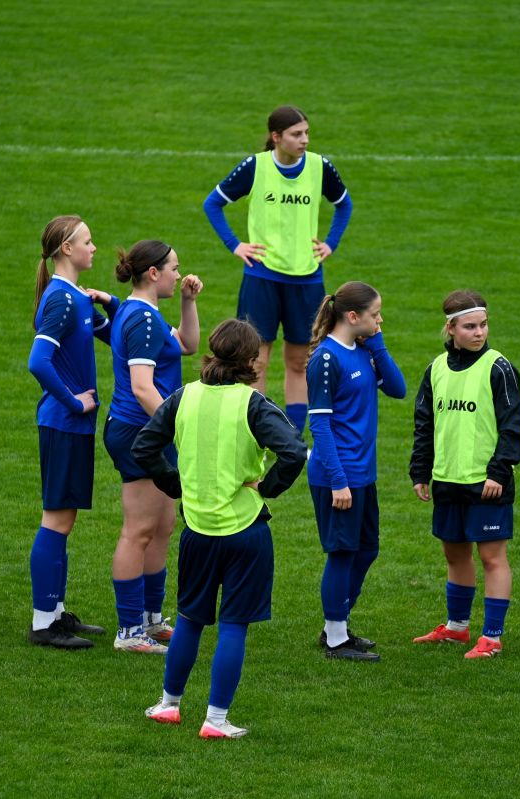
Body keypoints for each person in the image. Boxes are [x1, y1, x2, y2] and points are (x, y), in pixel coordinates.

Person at [135, 319, 306, 738]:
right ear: (252, 360)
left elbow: (144, 447)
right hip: (245, 531)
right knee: (233, 625)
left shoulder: (183, 397)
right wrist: (268, 487)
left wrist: (177, 485)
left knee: (189, 619)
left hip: (198, 530)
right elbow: (294, 450)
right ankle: (215, 720)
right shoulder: (253, 403)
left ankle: (168, 705)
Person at [202, 105, 353, 434]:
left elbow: (344, 204)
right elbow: (212, 203)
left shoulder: (320, 166)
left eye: (307, 133)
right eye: (296, 134)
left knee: (299, 362)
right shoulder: (255, 167)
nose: (305, 140)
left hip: (307, 280)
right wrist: (235, 245)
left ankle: (293, 438)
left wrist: (330, 243)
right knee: (256, 361)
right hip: (262, 277)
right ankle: (261, 434)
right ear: (276, 137)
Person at [89, 240, 202, 654]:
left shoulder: (141, 312)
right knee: (138, 530)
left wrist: (188, 302)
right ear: (153, 273)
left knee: (162, 526)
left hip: (151, 431)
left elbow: (187, 345)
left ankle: (151, 620)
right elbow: (141, 388)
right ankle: (129, 631)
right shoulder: (142, 320)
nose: (179, 274)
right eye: (174, 268)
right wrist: (179, 428)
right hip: (140, 433)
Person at [409, 290, 520, 659]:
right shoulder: (436, 369)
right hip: (447, 480)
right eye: (470, 327)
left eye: (483, 325)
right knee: (454, 555)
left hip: (487, 483)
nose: (479, 333)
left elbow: (513, 428)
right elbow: (424, 424)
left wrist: (499, 471)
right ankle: (457, 628)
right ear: (451, 328)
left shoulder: (499, 368)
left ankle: (491, 637)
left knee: (492, 558)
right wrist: (420, 470)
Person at [25, 215, 117, 650]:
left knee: (66, 519)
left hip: (73, 426)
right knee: (56, 519)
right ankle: (44, 622)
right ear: (66, 249)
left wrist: (111, 301)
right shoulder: (61, 300)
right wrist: (74, 402)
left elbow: (118, 336)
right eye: (88, 241)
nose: (94, 248)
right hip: (63, 423)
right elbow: (38, 362)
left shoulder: (76, 297)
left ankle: (57, 612)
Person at [305, 281, 406, 662]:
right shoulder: (326, 360)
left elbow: (397, 388)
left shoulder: (364, 351)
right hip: (338, 476)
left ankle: (337, 625)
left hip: (363, 473)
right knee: (343, 553)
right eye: (374, 315)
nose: (380, 321)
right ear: (352, 316)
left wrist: (377, 345)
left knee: (366, 549)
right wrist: (338, 481)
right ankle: (335, 640)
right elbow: (319, 425)